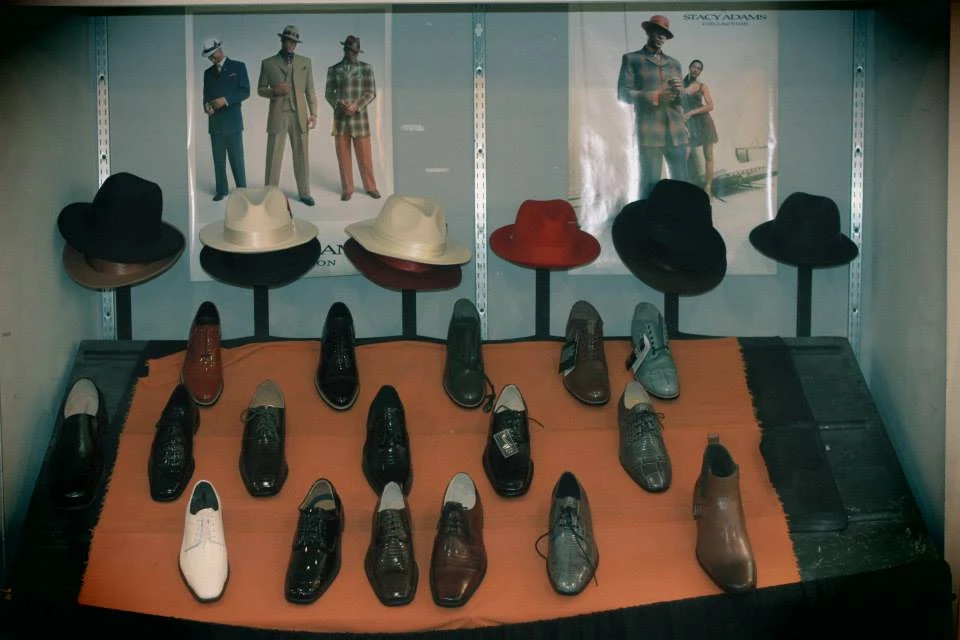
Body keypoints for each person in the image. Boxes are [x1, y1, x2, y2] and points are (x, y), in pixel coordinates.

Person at [617, 14, 689, 199]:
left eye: (665, 34)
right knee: (649, 184)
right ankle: (646, 223)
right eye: (658, 32)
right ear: (648, 31)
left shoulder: (674, 63)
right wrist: (656, 95)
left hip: (676, 132)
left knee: (681, 183)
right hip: (649, 132)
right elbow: (623, 94)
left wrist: (681, 92)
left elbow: (682, 102)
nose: (661, 37)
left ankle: (679, 222)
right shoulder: (632, 59)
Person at [258, 25, 318, 206]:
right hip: (278, 114)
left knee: (302, 155)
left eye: (294, 42)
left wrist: (314, 113)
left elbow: (310, 90)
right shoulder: (268, 63)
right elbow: (260, 90)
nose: (291, 44)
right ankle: (269, 193)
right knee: (274, 155)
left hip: (300, 114)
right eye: (288, 40)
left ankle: (305, 193)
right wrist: (274, 91)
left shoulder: (305, 62)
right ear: (282, 40)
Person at [324, 35, 381, 202]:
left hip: (360, 119)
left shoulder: (366, 68)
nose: (353, 54)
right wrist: (339, 104)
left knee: (365, 156)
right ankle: (347, 188)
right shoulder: (333, 70)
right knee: (343, 155)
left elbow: (371, 92)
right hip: (340, 119)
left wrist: (356, 105)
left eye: (356, 51)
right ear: (345, 49)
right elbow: (329, 93)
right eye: (350, 50)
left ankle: (371, 187)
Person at [202, 38, 249, 202]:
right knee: (218, 160)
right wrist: (206, 106)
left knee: (237, 159)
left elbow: (245, 92)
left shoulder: (238, 67)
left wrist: (226, 100)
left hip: (233, 123)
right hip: (215, 123)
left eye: (213, 55)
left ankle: (242, 191)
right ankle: (221, 190)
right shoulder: (208, 73)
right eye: (209, 56)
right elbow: (206, 95)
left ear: (220, 50)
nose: (211, 59)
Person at [682, 59, 719, 197]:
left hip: (704, 122)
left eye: (699, 68)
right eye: (694, 67)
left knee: (708, 155)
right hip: (689, 124)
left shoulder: (702, 86)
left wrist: (691, 112)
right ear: (690, 67)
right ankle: (683, 188)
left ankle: (708, 188)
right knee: (684, 156)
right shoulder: (680, 84)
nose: (696, 70)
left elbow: (710, 106)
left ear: (700, 71)